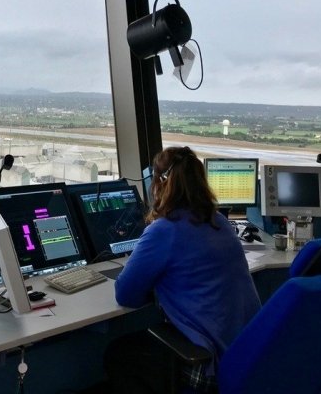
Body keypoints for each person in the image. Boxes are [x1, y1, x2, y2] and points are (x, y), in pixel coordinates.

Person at [105, 146, 261, 393]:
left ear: (160, 184)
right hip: (244, 355)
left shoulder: (164, 230)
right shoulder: (219, 221)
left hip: (208, 363)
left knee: (120, 354)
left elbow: (125, 295)